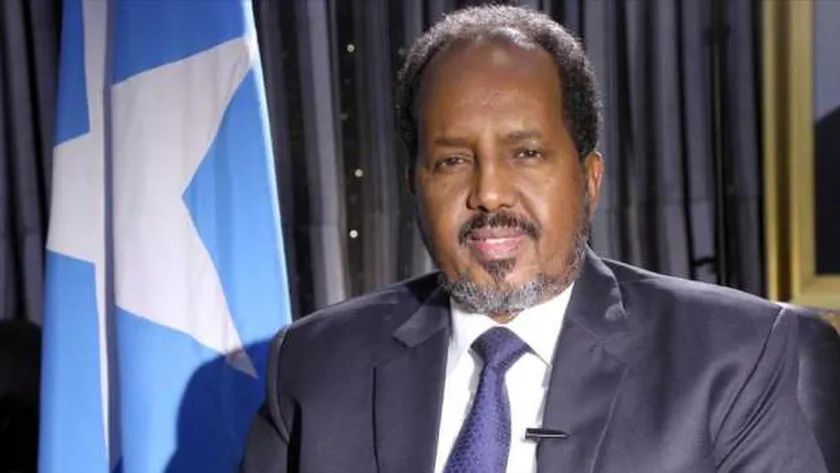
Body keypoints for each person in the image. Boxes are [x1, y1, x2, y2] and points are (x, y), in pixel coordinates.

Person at [240, 5, 828, 472]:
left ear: (589, 179)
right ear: (414, 185)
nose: (489, 194)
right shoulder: (314, 365)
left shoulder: (735, 356)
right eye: (452, 161)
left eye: (526, 154)